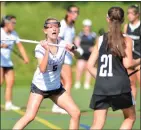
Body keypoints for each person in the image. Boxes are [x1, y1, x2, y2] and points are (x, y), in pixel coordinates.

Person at [13, 18, 80, 130]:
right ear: (45, 30)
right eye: (50, 26)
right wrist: (47, 50)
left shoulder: (62, 44)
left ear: (59, 30)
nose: (54, 28)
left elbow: (78, 57)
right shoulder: (40, 47)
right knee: (29, 116)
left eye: (56, 26)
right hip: (40, 87)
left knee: (76, 113)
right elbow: (43, 69)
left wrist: (73, 49)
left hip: (56, 87)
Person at [87, 7, 140, 129]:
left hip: (101, 87)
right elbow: (128, 64)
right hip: (120, 86)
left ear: (107, 19)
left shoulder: (100, 39)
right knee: (130, 117)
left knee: (97, 124)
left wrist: (102, 78)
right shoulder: (127, 40)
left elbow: (89, 65)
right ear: (123, 20)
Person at [52, 5, 79, 113]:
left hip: (67, 56)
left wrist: (75, 49)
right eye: (73, 12)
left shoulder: (72, 26)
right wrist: (67, 48)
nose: (76, 14)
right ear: (68, 13)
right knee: (68, 81)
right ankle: (63, 106)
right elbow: (58, 39)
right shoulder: (62, 25)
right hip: (62, 56)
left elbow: (70, 41)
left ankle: (57, 106)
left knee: (63, 82)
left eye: (77, 12)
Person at [0, 15, 29, 111]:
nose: (14, 25)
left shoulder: (14, 34)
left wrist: (25, 57)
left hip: (7, 62)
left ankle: (9, 104)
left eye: (15, 23)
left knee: (10, 82)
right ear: (6, 23)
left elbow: (20, 46)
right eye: (12, 22)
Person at [124, 5, 140, 100]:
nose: (129, 15)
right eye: (128, 13)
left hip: (139, 59)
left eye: (131, 13)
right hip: (130, 59)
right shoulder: (126, 26)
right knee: (131, 83)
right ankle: (132, 104)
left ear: (137, 14)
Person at [74, 19, 96, 89]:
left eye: (88, 26)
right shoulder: (80, 35)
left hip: (90, 55)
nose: (87, 28)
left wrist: (93, 48)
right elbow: (76, 43)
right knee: (80, 68)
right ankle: (77, 82)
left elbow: (97, 44)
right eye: (85, 26)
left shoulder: (93, 35)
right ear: (83, 27)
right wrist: (78, 48)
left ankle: (87, 83)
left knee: (88, 68)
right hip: (82, 55)